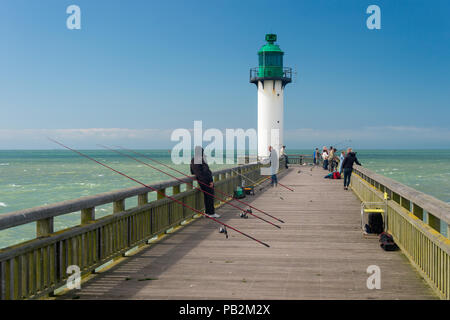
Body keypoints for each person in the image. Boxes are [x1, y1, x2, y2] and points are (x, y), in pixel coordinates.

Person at [190, 146, 220, 218]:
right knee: (210, 197)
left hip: (201, 181)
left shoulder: (193, 159)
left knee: (207, 197)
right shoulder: (201, 159)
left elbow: (192, 171)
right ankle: (211, 213)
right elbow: (206, 171)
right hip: (206, 181)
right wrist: (210, 181)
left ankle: (207, 213)